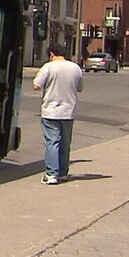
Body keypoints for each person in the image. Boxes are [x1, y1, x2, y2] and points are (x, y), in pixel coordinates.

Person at [33, 44, 83, 184]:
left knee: (52, 142)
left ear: (51, 55)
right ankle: (63, 173)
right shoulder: (75, 68)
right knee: (65, 143)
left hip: (51, 111)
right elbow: (80, 88)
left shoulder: (48, 67)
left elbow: (36, 85)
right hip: (68, 112)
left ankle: (51, 174)